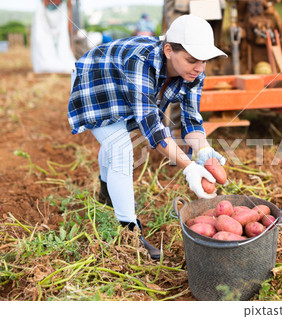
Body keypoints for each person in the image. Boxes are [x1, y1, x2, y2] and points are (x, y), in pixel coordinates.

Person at [67, 15, 227, 260]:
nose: (199, 67)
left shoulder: (195, 72)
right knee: (120, 146)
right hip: (96, 79)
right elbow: (152, 127)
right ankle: (130, 233)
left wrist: (204, 151)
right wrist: (188, 167)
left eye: (204, 60)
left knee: (116, 139)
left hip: (122, 84)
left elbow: (191, 119)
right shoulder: (140, 62)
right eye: (192, 60)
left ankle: (105, 192)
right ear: (168, 50)